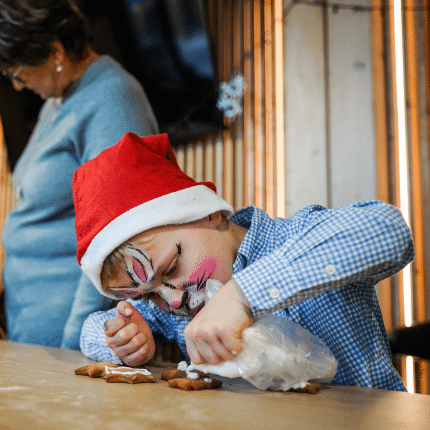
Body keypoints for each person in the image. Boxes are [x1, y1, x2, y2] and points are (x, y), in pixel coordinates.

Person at [74, 132, 414, 391]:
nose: (173, 300)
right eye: (148, 295)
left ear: (205, 213)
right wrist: (122, 339)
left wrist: (243, 295)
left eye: (172, 268)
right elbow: (91, 330)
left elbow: (388, 229)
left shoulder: (296, 238)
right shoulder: (170, 306)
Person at [0, 0, 159, 349]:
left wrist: (77, 340)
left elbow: (118, 234)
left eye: (17, 72)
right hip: (32, 325)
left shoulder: (112, 98)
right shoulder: (56, 101)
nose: (16, 85)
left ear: (55, 51)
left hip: (65, 338)